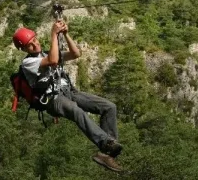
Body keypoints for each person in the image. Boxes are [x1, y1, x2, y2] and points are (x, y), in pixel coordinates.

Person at [12, 21, 123, 172]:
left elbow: (76, 53)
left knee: (109, 107)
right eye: (30, 45)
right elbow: (52, 60)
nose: (35, 44)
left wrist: (65, 34)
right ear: (24, 49)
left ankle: (106, 154)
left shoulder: (47, 52)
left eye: (35, 40)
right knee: (76, 110)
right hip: (52, 99)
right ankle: (105, 142)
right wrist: (53, 33)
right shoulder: (29, 63)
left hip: (70, 92)